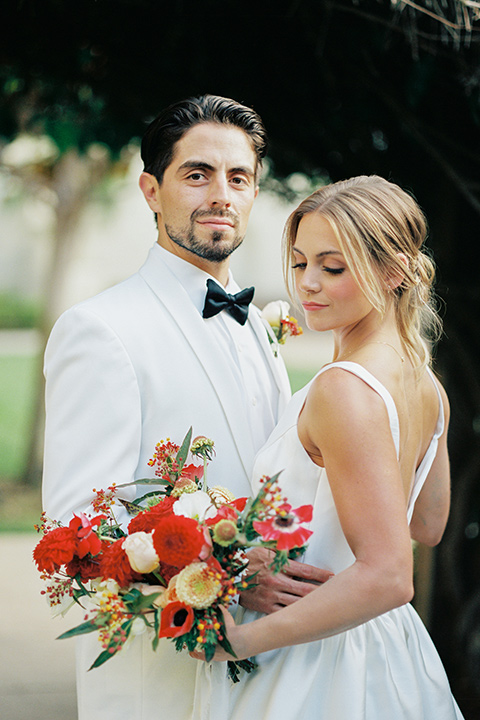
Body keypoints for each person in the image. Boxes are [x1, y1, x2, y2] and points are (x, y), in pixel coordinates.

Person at [41, 94, 330, 720]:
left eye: (239, 177)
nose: (220, 194)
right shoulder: (100, 329)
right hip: (159, 685)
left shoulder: (258, 325)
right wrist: (224, 573)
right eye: (196, 174)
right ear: (151, 190)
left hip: (266, 673)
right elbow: (76, 533)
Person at [192, 175, 464, 719]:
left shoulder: (345, 387)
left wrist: (239, 642)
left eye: (332, 267)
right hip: (388, 650)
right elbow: (427, 524)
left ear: (395, 273)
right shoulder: (425, 383)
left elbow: (388, 574)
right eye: (299, 263)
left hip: (315, 658)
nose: (307, 284)